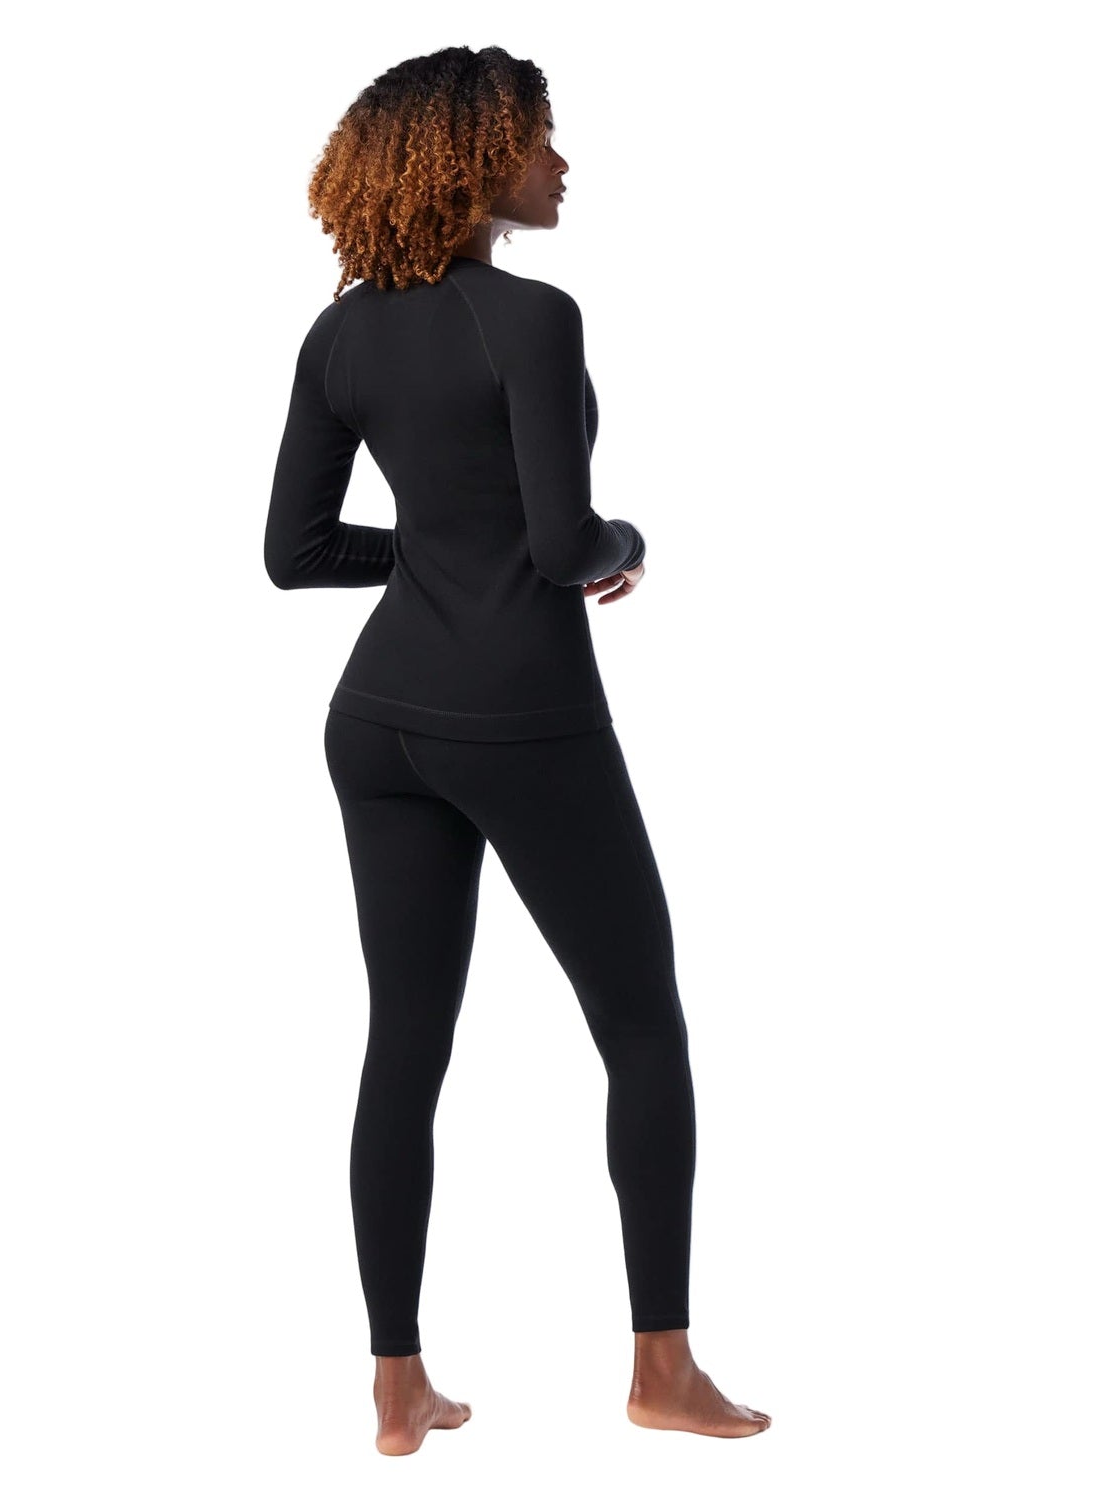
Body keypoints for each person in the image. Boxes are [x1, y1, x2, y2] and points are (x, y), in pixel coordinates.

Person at [264, 44, 771, 1456]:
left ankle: (396, 1387)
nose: (561, 163)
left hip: (377, 723)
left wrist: (433, 549)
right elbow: (561, 545)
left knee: (403, 1047)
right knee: (643, 1025)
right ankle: (663, 1370)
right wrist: (629, 541)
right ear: (476, 157)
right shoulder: (533, 319)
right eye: (542, 139)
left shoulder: (339, 337)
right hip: (522, 714)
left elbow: (293, 552)